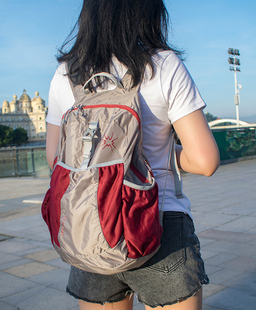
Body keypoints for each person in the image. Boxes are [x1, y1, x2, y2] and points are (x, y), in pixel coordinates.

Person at [45, 0, 220, 309]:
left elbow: (55, 160)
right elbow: (204, 161)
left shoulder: (66, 74)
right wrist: (162, 151)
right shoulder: (163, 64)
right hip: (158, 223)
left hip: (92, 228)